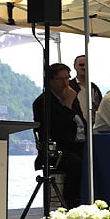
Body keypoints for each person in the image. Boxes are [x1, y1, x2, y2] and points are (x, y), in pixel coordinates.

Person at [32, 63, 85, 209]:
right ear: (50, 81)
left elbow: (82, 123)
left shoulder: (71, 97)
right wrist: (67, 104)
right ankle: (72, 204)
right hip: (57, 148)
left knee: (98, 157)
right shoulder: (43, 102)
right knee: (76, 163)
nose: (65, 83)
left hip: (78, 144)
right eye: (60, 79)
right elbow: (60, 130)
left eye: (67, 78)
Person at [69, 55, 103, 125]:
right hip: (74, 127)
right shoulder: (69, 86)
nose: (84, 67)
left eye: (86, 65)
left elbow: (100, 108)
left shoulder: (94, 88)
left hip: (92, 128)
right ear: (75, 66)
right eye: (81, 65)